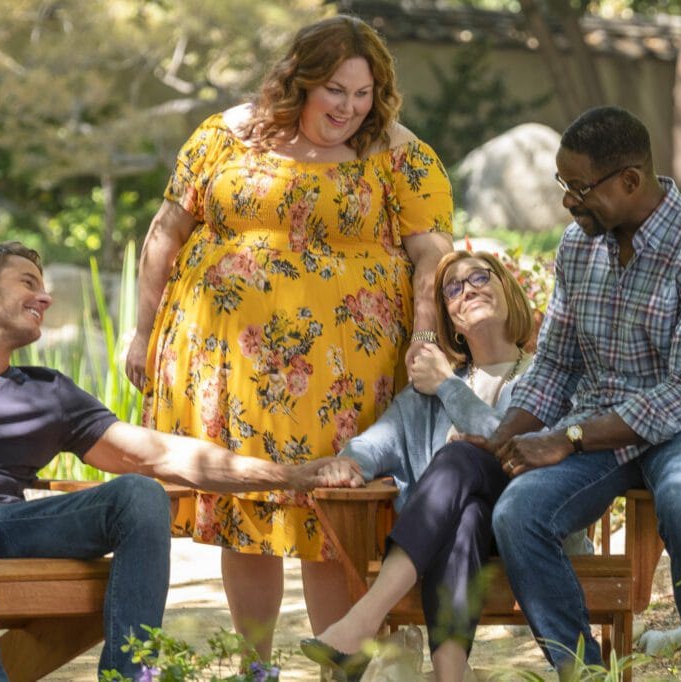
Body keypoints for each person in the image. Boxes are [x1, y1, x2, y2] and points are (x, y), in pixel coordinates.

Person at [0, 242, 363, 682]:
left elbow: (162, 453)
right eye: (29, 283)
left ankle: (129, 675)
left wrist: (291, 475)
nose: (45, 298)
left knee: (140, 494)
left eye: (45, 287)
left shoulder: (48, 393)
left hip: (10, 526)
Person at [125, 15, 454, 658]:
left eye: (363, 94)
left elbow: (432, 254)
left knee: (333, 514)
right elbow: (165, 233)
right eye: (335, 90)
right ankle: (256, 667)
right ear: (299, 81)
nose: (348, 108)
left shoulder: (399, 153)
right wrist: (141, 334)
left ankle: (338, 663)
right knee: (247, 509)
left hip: (346, 373)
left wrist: (423, 336)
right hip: (232, 368)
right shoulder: (223, 136)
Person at [473, 106, 681, 679]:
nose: (567, 201)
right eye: (564, 183)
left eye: (580, 187)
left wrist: (568, 438)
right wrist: (502, 437)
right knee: (519, 512)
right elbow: (556, 363)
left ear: (630, 180)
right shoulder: (579, 247)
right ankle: (584, 673)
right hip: (602, 430)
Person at [299, 251, 590, 681]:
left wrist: (449, 386)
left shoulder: (547, 377)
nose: (467, 289)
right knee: (467, 513)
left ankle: (362, 621)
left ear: (508, 291)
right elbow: (375, 442)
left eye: (479, 277)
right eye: (454, 288)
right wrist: (349, 464)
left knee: (458, 457)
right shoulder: (429, 389)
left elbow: (524, 452)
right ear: (451, 323)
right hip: (453, 539)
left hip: (533, 533)